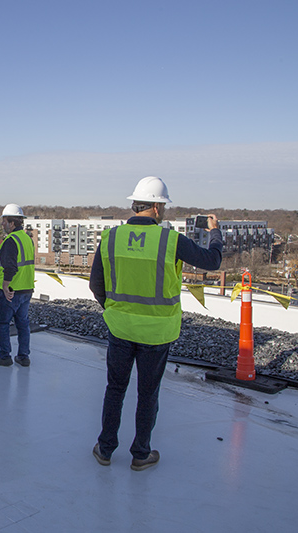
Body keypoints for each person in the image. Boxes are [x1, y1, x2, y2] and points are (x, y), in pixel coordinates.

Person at [89, 176, 222, 471]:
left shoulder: (110, 238)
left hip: (120, 328)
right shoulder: (171, 240)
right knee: (148, 393)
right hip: (157, 333)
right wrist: (215, 233)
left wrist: (113, 309)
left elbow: (96, 284)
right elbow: (212, 261)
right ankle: (140, 454)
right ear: (159, 208)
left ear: (134, 205)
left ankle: (106, 448)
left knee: (115, 388)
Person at [0, 204, 35, 367]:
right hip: (26, 289)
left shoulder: (10, 241)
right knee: (22, 323)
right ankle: (23, 357)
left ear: (12, 223)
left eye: (4, 221)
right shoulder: (27, 239)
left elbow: (10, 267)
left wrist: (5, 286)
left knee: (2, 323)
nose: (2, 224)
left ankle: (4, 356)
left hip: (11, 290)